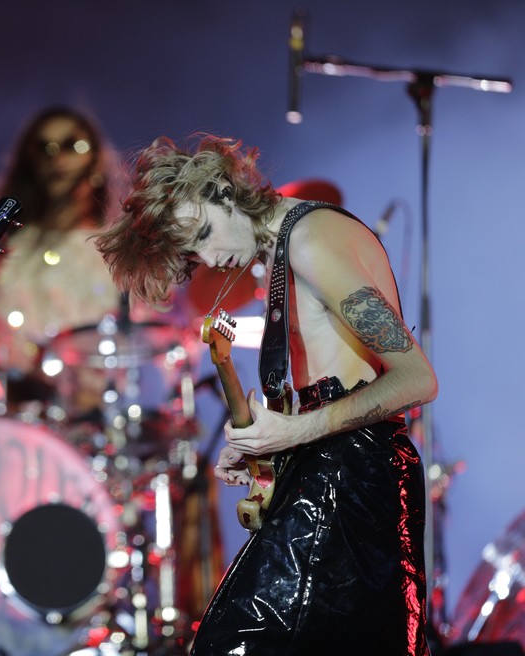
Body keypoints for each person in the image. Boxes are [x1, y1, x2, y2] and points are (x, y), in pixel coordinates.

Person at [95, 134, 438, 655]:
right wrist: (273, 444)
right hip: (332, 476)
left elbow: (417, 378)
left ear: (226, 190)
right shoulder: (286, 247)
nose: (211, 256)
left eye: (207, 232)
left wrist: (296, 430)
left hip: (352, 485)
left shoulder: (311, 239)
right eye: (194, 251)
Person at [0, 106, 123, 417]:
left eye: (75, 145)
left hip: (99, 421)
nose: (58, 159)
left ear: (98, 159)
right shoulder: (4, 247)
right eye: (45, 148)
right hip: (21, 419)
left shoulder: (119, 252)